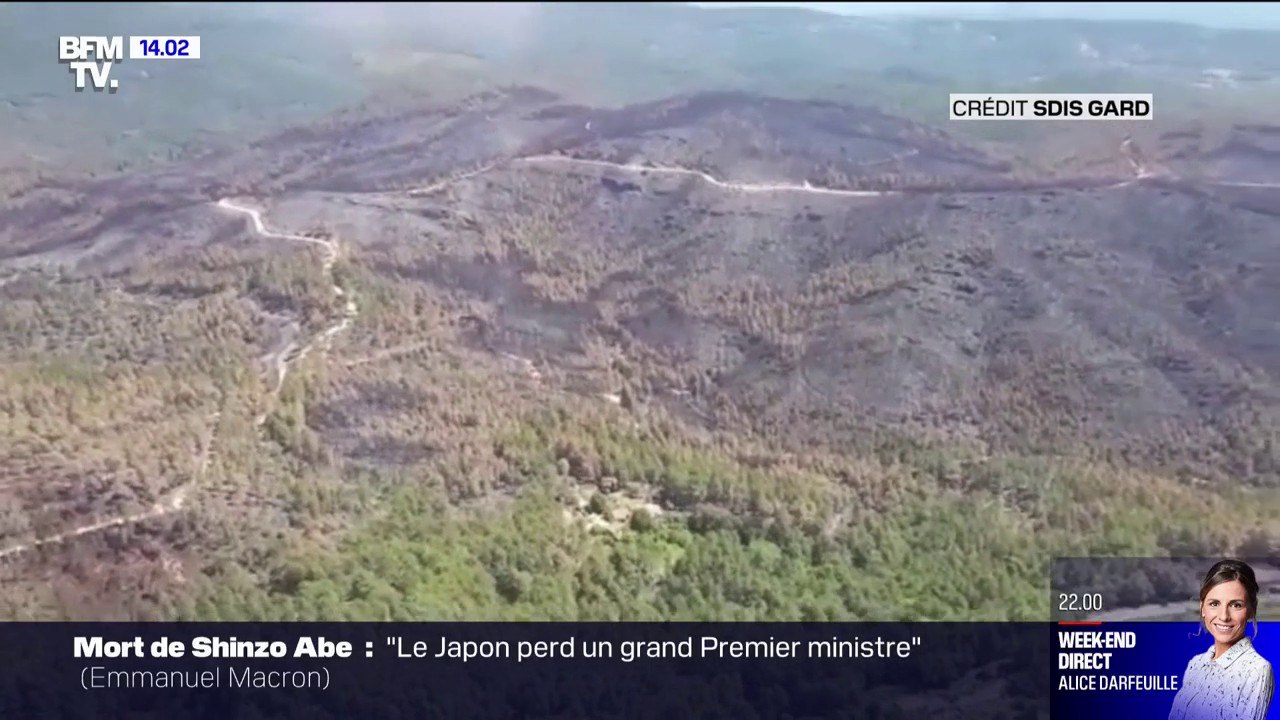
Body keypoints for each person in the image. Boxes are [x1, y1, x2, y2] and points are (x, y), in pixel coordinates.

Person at [1169, 559, 1274, 720]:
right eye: (1214, 603)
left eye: (1236, 605)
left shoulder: (1257, 670)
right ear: (1202, 608)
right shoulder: (1195, 664)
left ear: (1251, 610)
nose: (1224, 616)